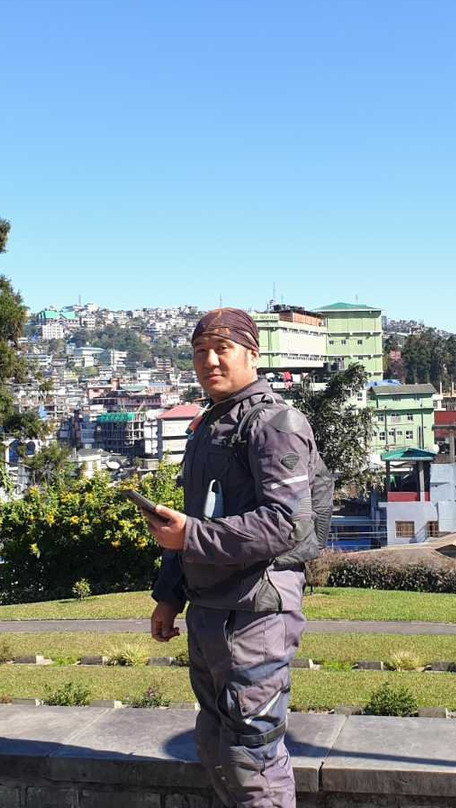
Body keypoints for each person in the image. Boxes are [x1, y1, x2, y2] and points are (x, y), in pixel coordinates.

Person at [147, 307, 320, 808]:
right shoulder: (209, 425)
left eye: (222, 349)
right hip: (209, 611)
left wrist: (192, 537)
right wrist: (168, 597)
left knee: (252, 756)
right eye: (201, 352)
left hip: (256, 615)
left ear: (252, 354)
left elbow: (286, 523)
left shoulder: (274, 424)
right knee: (214, 743)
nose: (210, 361)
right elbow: (189, 520)